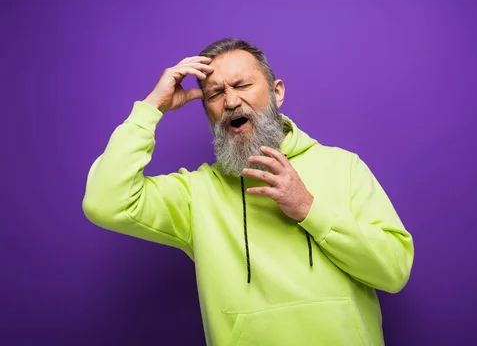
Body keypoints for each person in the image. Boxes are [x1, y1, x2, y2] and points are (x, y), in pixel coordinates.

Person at [82, 38, 414, 346]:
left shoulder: (344, 167)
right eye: (214, 94)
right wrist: (151, 108)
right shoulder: (196, 194)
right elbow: (104, 201)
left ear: (277, 92)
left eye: (242, 85)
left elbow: (394, 270)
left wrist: (309, 209)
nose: (230, 101)